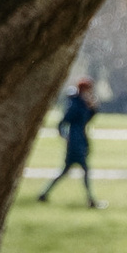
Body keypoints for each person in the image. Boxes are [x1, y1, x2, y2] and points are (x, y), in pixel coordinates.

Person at [37, 77, 99, 206]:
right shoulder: (76, 104)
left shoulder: (82, 103)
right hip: (75, 141)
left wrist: (93, 108)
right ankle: (90, 199)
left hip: (80, 138)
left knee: (66, 170)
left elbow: (87, 118)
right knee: (84, 169)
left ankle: (44, 193)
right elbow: (64, 121)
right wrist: (65, 136)